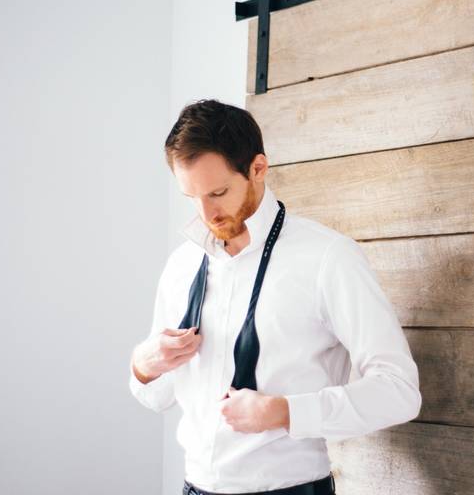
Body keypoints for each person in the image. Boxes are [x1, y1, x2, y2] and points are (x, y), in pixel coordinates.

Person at [129, 98, 422, 495]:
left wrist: (286, 412)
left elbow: (399, 392)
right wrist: (144, 365)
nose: (206, 213)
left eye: (218, 192)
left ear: (258, 168)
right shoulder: (182, 266)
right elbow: (157, 397)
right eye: (191, 197)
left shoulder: (327, 258)